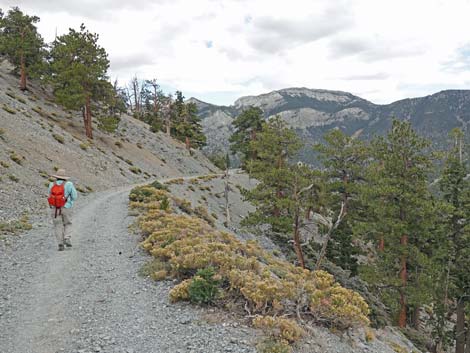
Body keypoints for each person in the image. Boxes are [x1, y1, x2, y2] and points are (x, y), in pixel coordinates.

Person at [48, 169, 78, 251]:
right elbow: (75, 196)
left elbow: (49, 195)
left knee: (57, 225)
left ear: (56, 177)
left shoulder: (51, 184)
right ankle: (66, 237)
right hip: (66, 207)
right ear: (65, 177)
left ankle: (60, 244)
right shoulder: (69, 184)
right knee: (68, 223)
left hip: (55, 209)